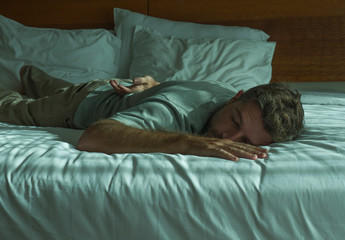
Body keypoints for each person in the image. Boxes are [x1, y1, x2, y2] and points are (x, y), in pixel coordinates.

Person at [0, 66, 304, 161]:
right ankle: (17, 85)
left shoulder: (231, 94)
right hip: (79, 105)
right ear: (236, 98)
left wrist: (155, 87)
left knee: (65, 88)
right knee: (11, 111)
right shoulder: (174, 113)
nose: (228, 137)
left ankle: (33, 75)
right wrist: (186, 142)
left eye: (248, 141)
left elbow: (181, 88)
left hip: (113, 89)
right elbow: (93, 136)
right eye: (235, 122)